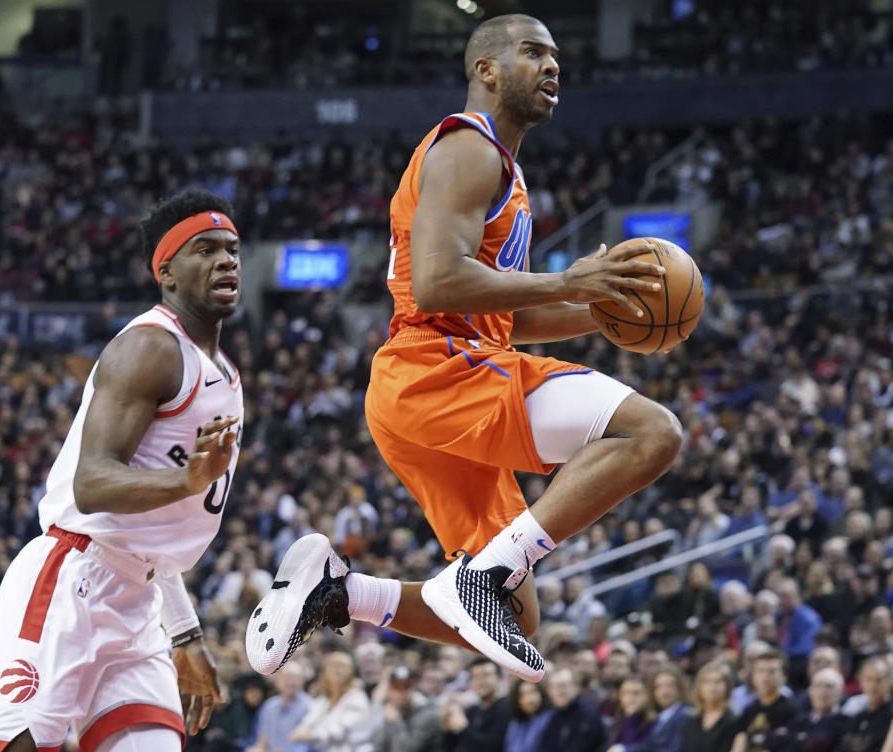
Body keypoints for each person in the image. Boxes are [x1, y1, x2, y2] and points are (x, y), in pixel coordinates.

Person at [248, 12, 681, 685]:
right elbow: (438, 280)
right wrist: (570, 276)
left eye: (556, 57)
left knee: (519, 615)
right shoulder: (467, 148)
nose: (552, 67)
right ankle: (483, 575)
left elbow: (502, 313)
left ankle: (339, 592)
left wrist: (598, 314)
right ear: (485, 69)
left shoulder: (499, 167)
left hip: (437, 384)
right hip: (435, 370)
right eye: (533, 52)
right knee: (653, 432)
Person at [0, 189, 244, 751]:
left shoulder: (224, 373)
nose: (226, 260)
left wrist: (185, 633)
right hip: (69, 580)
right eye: (206, 250)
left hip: (138, 598)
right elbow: (93, 483)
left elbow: (151, 537)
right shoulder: (148, 348)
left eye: (232, 249)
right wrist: (186, 481)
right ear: (167, 272)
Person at [287, 651, 373, 752]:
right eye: (334, 666)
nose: (338, 670)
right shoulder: (322, 700)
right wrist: (299, 732)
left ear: (350, 673)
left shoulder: (357, 698)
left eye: (343, 666)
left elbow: (339, 731)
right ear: (326, 672)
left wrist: (310, 735)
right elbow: (308, 722)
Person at [766, 667, 847, 752]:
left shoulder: (843, 721)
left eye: (829, 686)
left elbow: (815, 745)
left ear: (841, 692)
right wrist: (800, 738)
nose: (822, 691)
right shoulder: (801, 719)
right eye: (817, 685)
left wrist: (792, 737)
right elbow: (770, 740)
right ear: (810, 691)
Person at [731, 650, 798, 752]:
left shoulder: (792, 711)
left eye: (771, 671)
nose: (765, 677)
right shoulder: (749, 710)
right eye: (760, 671)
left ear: (783, 676)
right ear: (753, 675)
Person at [440, 657, 510, 752]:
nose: (480, 682)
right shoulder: (472, 711)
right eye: (475, 677)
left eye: (486, 675)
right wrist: (447, 729)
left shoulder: (507, 708)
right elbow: (452, 746)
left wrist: (464, 728)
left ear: (499, 678)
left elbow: (493, 746)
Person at [247, 660, 311, 752]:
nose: (290, 682)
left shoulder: (310, 706)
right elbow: (262, 740)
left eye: (295, 678)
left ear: (302, 681)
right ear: (278, 681)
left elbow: (308, 744)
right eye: (287, 678)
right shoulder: (269, 706)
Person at [679, 661, 738, 752]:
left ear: (727, 687)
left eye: (718, 681)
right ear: (699, 687)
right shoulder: (690, 720)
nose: (712, 686)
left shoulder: (734, 721)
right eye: (707, 682)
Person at [504, 680, 554, 752]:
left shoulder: (550, 718)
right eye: (523, 695)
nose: (529, 699)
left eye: (533, 692)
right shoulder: (515, 723)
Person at [606, 675, 655, 748]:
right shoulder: (618, 720)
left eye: (636, 693)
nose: (631, 697)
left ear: (647, 695)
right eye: (626, 693)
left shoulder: (654, 721)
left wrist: (630, 718)